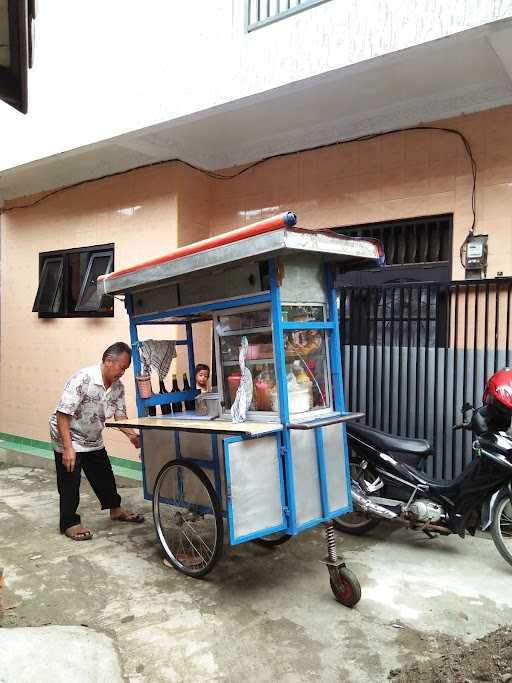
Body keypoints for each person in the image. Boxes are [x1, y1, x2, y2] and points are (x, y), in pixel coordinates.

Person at [49, 342, 143, 541]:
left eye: (125, 369)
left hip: (92, 436)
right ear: (109, 361)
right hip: (69, 435)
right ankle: (70, 523)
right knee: (70, 479)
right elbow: (62, 414)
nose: (123, 373)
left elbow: (120, 416)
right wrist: (68, 448)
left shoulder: (117, 387)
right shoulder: (83, 379)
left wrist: (132, 436)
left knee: (104, 474)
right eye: (121, 367)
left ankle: (115, 509)